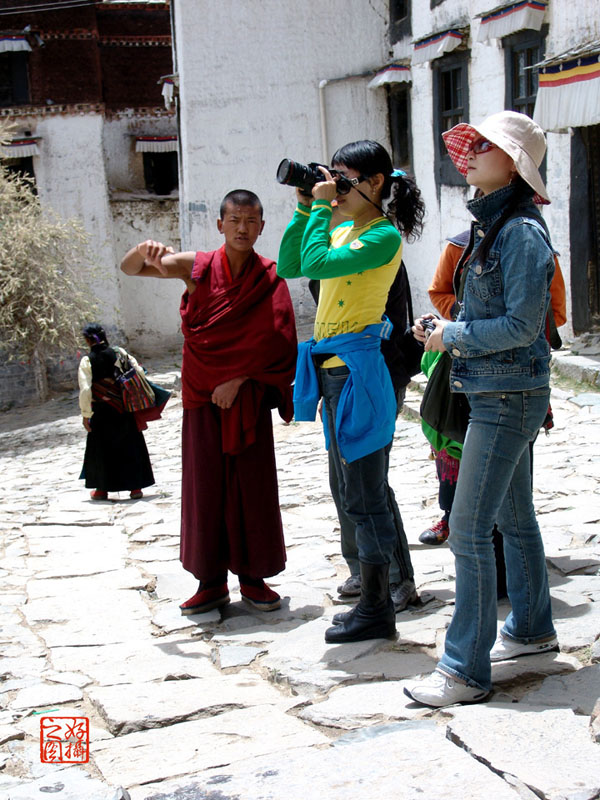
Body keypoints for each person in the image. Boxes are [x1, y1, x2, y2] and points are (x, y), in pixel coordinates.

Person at [404, 111, 559, 708]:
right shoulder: (494, 227)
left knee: (467, 530)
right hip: (498, 391)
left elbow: (523, 326)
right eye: (471, 146)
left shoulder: (519, 232)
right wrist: (447, 329)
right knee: (514, 519)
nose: (470, 154)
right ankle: (532, 628)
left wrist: (453, 336)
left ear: (515, 166)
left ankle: (464, 669)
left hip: (505, 396)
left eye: (487, 147)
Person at [120, 190, 297, 614]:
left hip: (246, 398)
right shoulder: (196, 268)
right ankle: (211, 581)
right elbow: (130, 269)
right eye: (234, 219)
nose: (242, 228)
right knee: (206, 487)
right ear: (220, 224)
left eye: (251, 220)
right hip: (202, 399)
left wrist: (239, 378)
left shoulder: (270, 278)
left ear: (261, 227)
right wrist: (141, 249)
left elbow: (279, 341)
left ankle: (254, 579)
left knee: (251, 486)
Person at [278, 140, 425, 643]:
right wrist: (305, 206)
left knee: (365, 495)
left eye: (344, 179)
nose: (335, 189)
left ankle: (380, 605)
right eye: (332, 178)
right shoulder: (340, 226)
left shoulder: (383, 236)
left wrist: (320, 205)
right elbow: (291, 264)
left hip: (359, 373)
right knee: (349, 491)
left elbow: (317, 265)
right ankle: (373, 599)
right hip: (332, 373)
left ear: (375, 183)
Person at [420, 232, 567, 547]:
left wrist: (495, 329)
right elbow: (439, 291)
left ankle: (509, 550)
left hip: (517, 376)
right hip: (462, 365)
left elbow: (555, 314)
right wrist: (464, 323)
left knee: (513, 484)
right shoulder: (459, 246)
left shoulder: (534, 247)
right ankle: (450, 513)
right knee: (451, 446)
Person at [309, 262, 423, 612]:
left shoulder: (373, 245)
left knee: (369, 482)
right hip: (336, 374)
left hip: (376, 372)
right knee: (342, 479)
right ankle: (362, 568)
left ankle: (396, 578)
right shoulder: (328, 249)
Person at [78, 323, 154, 501]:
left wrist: (86, 414)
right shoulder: (120, 353)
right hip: (124, 408)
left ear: (88, 341)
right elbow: (139, 372)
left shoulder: (87, 360)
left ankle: (102, 490)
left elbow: (85, 389)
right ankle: (135, 488)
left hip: (102, 412)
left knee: (101, 450)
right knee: (131, 446)